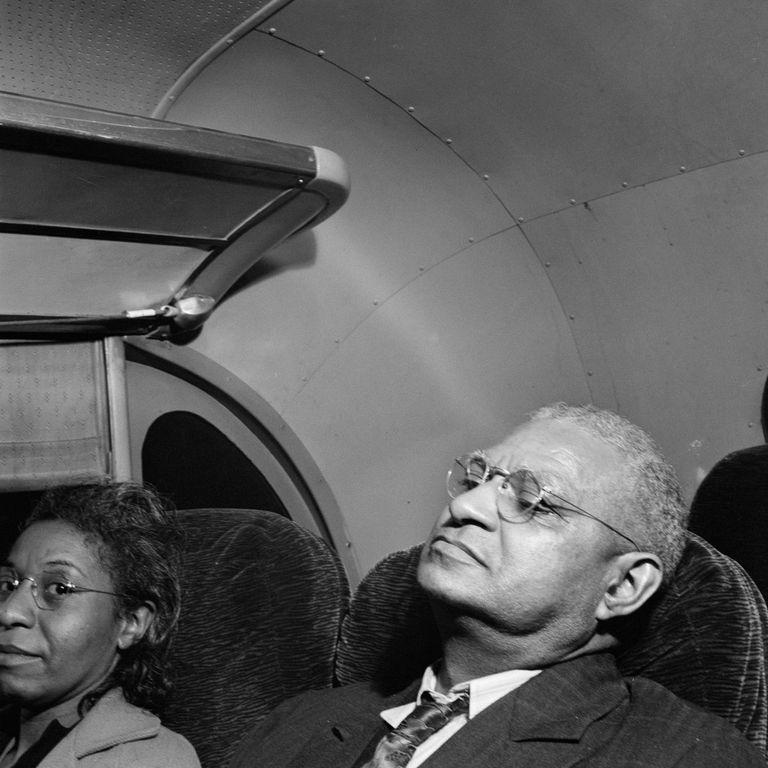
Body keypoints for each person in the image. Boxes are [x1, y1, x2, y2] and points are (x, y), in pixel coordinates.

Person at [232, 403, 765, 767]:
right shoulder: (298, 723)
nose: (463, 506)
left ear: (622, 585)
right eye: (476, 477)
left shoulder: (684, 757)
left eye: (534, 501)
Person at [0, 482, 200, 767]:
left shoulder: (150, 760)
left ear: (131, 623)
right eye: (10, 584)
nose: (9, 611)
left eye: (59, 588)